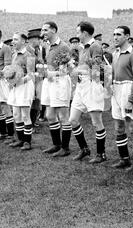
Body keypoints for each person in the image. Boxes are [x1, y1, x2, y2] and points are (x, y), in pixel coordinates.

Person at [69, 21, 107, 163]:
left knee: (96, 122)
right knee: (73, 120)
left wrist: (77, 70)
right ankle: (84, 149)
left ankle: (101, 154)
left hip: (92, 85)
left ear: (85, 33)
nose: (77, 34)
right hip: (81, 85)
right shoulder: (81, 48)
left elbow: (96, 69)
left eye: (78, 32)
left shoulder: (95, 46)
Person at [110, 26, 133, 171]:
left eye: (118, 34)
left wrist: (131, 100)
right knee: (118, 126)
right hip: (116, 89)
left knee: (132, 126)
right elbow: (112, 74)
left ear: (127, 36)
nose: (115, 37)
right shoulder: (115, 54)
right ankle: (124, 159)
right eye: (114, 34)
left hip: (128, 88)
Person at [40, 21, 73, 157]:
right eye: (42, 30)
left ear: (54, 30)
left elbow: (67, 69)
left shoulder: (63, 46)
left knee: (63, 116)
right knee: (50, 116)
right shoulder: (46, 46)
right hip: (49, 82)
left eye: (46, 30)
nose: (43, 33)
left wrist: (51, 74)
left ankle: (65, 148)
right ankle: (56, 144)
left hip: (60, 82)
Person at [6, 32, 35, 150]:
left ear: (23, 41)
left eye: (16, 39)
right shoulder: (13, 55)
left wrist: (19, 81)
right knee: (16, 114)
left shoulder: (29, 55)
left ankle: (27, 142)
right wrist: (11, 80)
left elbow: (31, 74)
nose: (13, 42)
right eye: (13, 39)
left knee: (25, 115)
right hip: (15, 86)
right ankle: (20, 139)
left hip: (25, 85)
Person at [26, 28, 46, 129]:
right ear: (33, 39)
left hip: (38, 79)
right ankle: (28, 123)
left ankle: (33, 122)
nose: (40, 41)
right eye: (39, 39)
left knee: (37, 102)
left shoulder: (40, 50)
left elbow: (42, 63)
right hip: (29, 79)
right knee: (29, 101)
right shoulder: (27, 50)